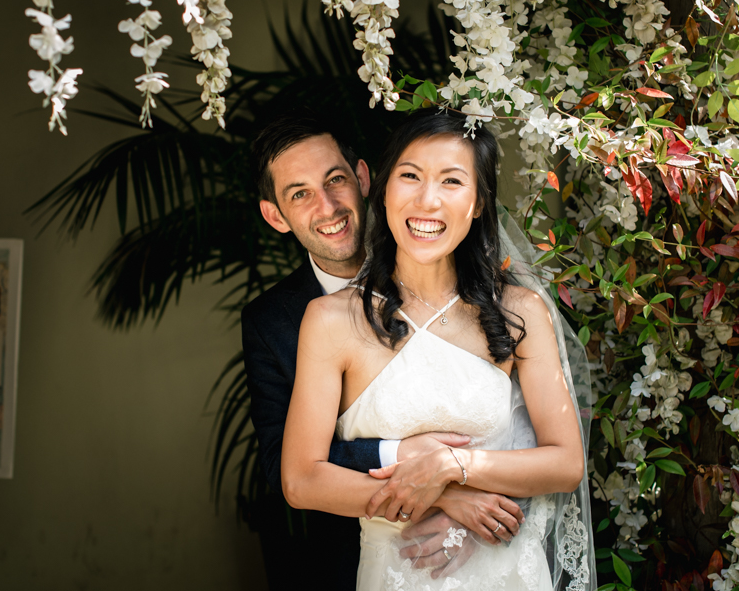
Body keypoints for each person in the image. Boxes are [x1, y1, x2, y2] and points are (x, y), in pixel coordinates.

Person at [280, 108, 592, 589]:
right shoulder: (329, 322)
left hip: (507, 573)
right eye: (410, 176)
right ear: (382, 189)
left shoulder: (520, 310)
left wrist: (454, 466)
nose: (427, 200)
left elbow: (567, 463)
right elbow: (302, 481)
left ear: (479, 203)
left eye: (451, 181)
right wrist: (436, 494)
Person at [242, 114, 526, 591]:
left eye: (335, 180)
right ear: (276, 216)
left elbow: (528, 419)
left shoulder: (462, 267)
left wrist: (484, 506)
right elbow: (284, 468)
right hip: (366, 559)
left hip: (490, 543)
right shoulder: (274, 321)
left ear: (364, 178)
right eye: (300, 193)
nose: (328, 206)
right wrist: (430, 484)